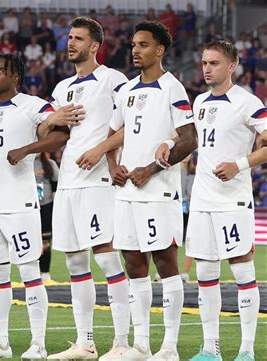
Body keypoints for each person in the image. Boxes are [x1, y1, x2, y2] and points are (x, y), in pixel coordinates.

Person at [156, 40, 266, 361]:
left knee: (243, 274)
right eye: (204, 62)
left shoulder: (247, 102)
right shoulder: (200, 101)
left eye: (214, 63)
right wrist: (166, 141)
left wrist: (240, 164)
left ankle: (246, 351)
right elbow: (188, 136)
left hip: (232, 202)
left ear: (231, 66)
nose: (206, 68)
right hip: (202, 202)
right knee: (205, 275)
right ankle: (210, 348)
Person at [0, 53, 77, 360]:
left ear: (16, 77)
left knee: (30, 273)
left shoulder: (33, 106)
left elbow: (60, 134)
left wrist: (27, 149)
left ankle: (38, 343)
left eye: (1, 71)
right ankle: (0, 343)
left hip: (21, 204)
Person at [106, 21, 197, 361]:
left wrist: (153, 168)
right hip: (127, 191)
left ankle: (169, 348)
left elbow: (189, 139)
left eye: (143, 45)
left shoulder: (172, 88)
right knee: (133, 263)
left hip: (158, 191)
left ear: (159, 50)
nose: (135, 50)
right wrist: (113, 165)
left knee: (165, 262)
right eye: (133, 44)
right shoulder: (126, 90)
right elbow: (115, 134)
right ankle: (141, 346)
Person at [46, 17, 131, 361]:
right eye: (69, 37)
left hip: (98, 182)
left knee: (108, 259)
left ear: (94, 46)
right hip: (67, 183)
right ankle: (85, 343)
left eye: (78, 38)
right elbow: (51, 135)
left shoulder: (114, 80)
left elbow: (132, 125)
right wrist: (52, 119)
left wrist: (100, 149)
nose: (71, 43)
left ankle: (123, 342)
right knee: (75, 262)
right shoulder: (62, 87)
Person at [34, 152, 59, 281]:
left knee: (45, 241)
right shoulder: (25, 164)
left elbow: (56, 182)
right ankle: (32, 271)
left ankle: (45, 272)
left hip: (46, 205)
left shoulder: (50, 164)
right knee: (32, 240)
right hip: (30, 207)